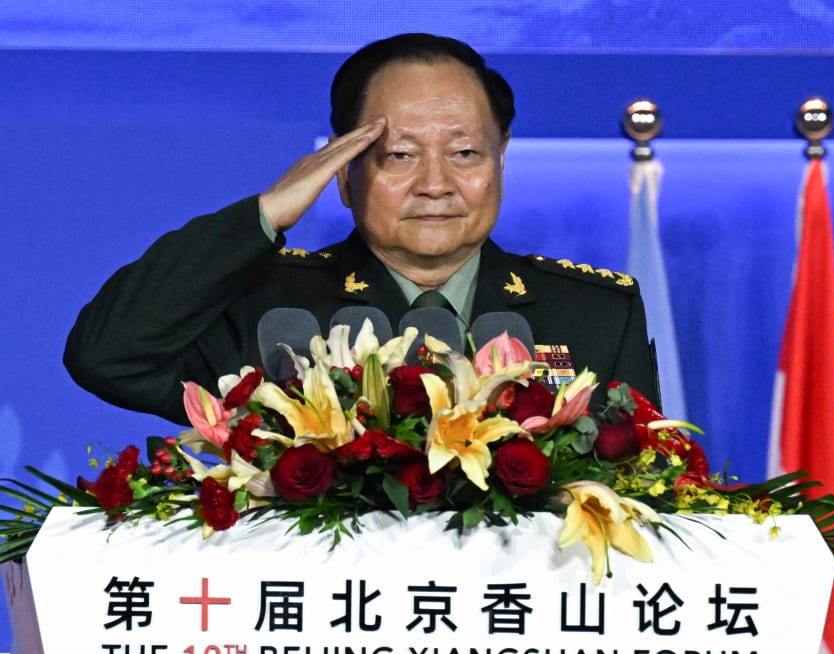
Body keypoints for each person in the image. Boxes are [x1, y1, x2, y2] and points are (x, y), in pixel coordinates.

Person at [64, 33, 659, 425]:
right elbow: (107, 357)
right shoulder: (268, 304)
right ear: (344, 176)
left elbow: (641, 487)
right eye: (400, 155)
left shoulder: (597, 314)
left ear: (501, 161)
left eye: (466, 153)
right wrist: (266, 214)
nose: (436, 183)